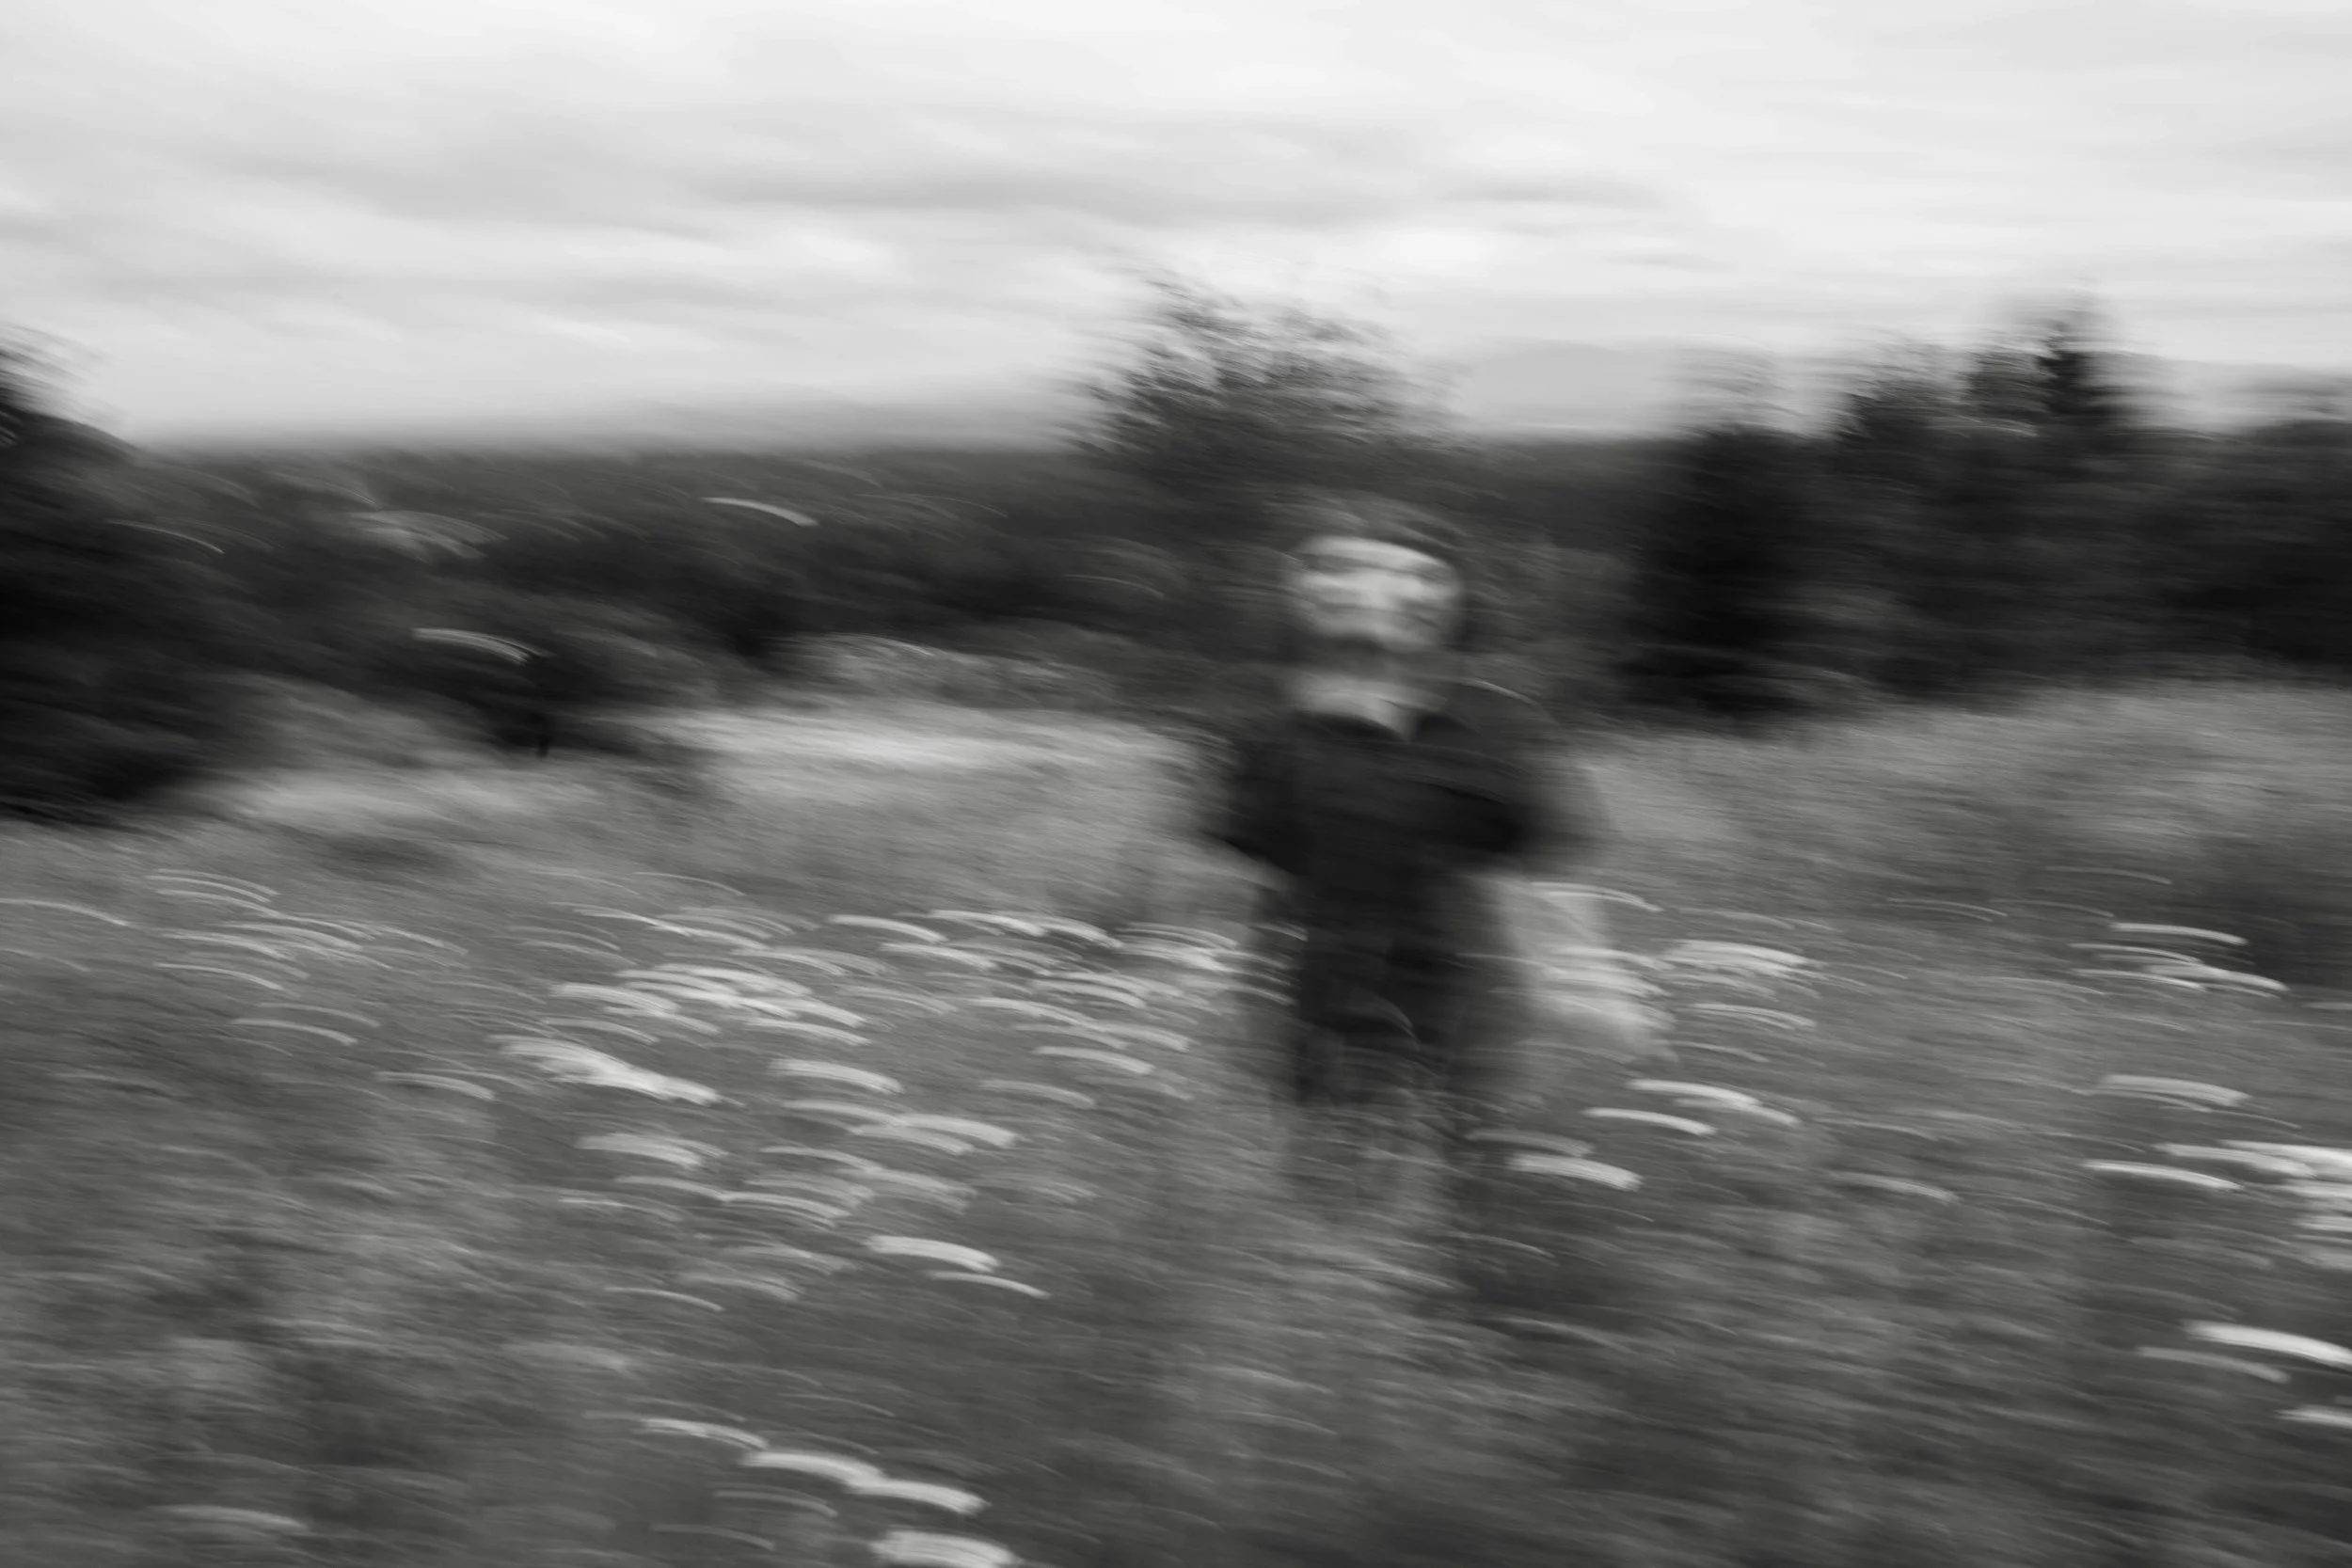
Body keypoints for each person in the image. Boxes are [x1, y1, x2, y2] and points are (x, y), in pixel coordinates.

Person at [1200, 490, 1661, 1226]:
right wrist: (1220, 999)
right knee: (1336, 1209)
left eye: (1420, 576)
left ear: (1456, 600)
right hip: (1320, 1004)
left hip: (1471, 1004)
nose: (1381, 593)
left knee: (1476, 1201)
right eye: (1335, 568)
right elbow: (1237, 873)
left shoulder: (1498, 723)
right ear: (1294, 592)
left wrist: (1591, 985)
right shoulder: (1262, 730)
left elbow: (1546, 864)